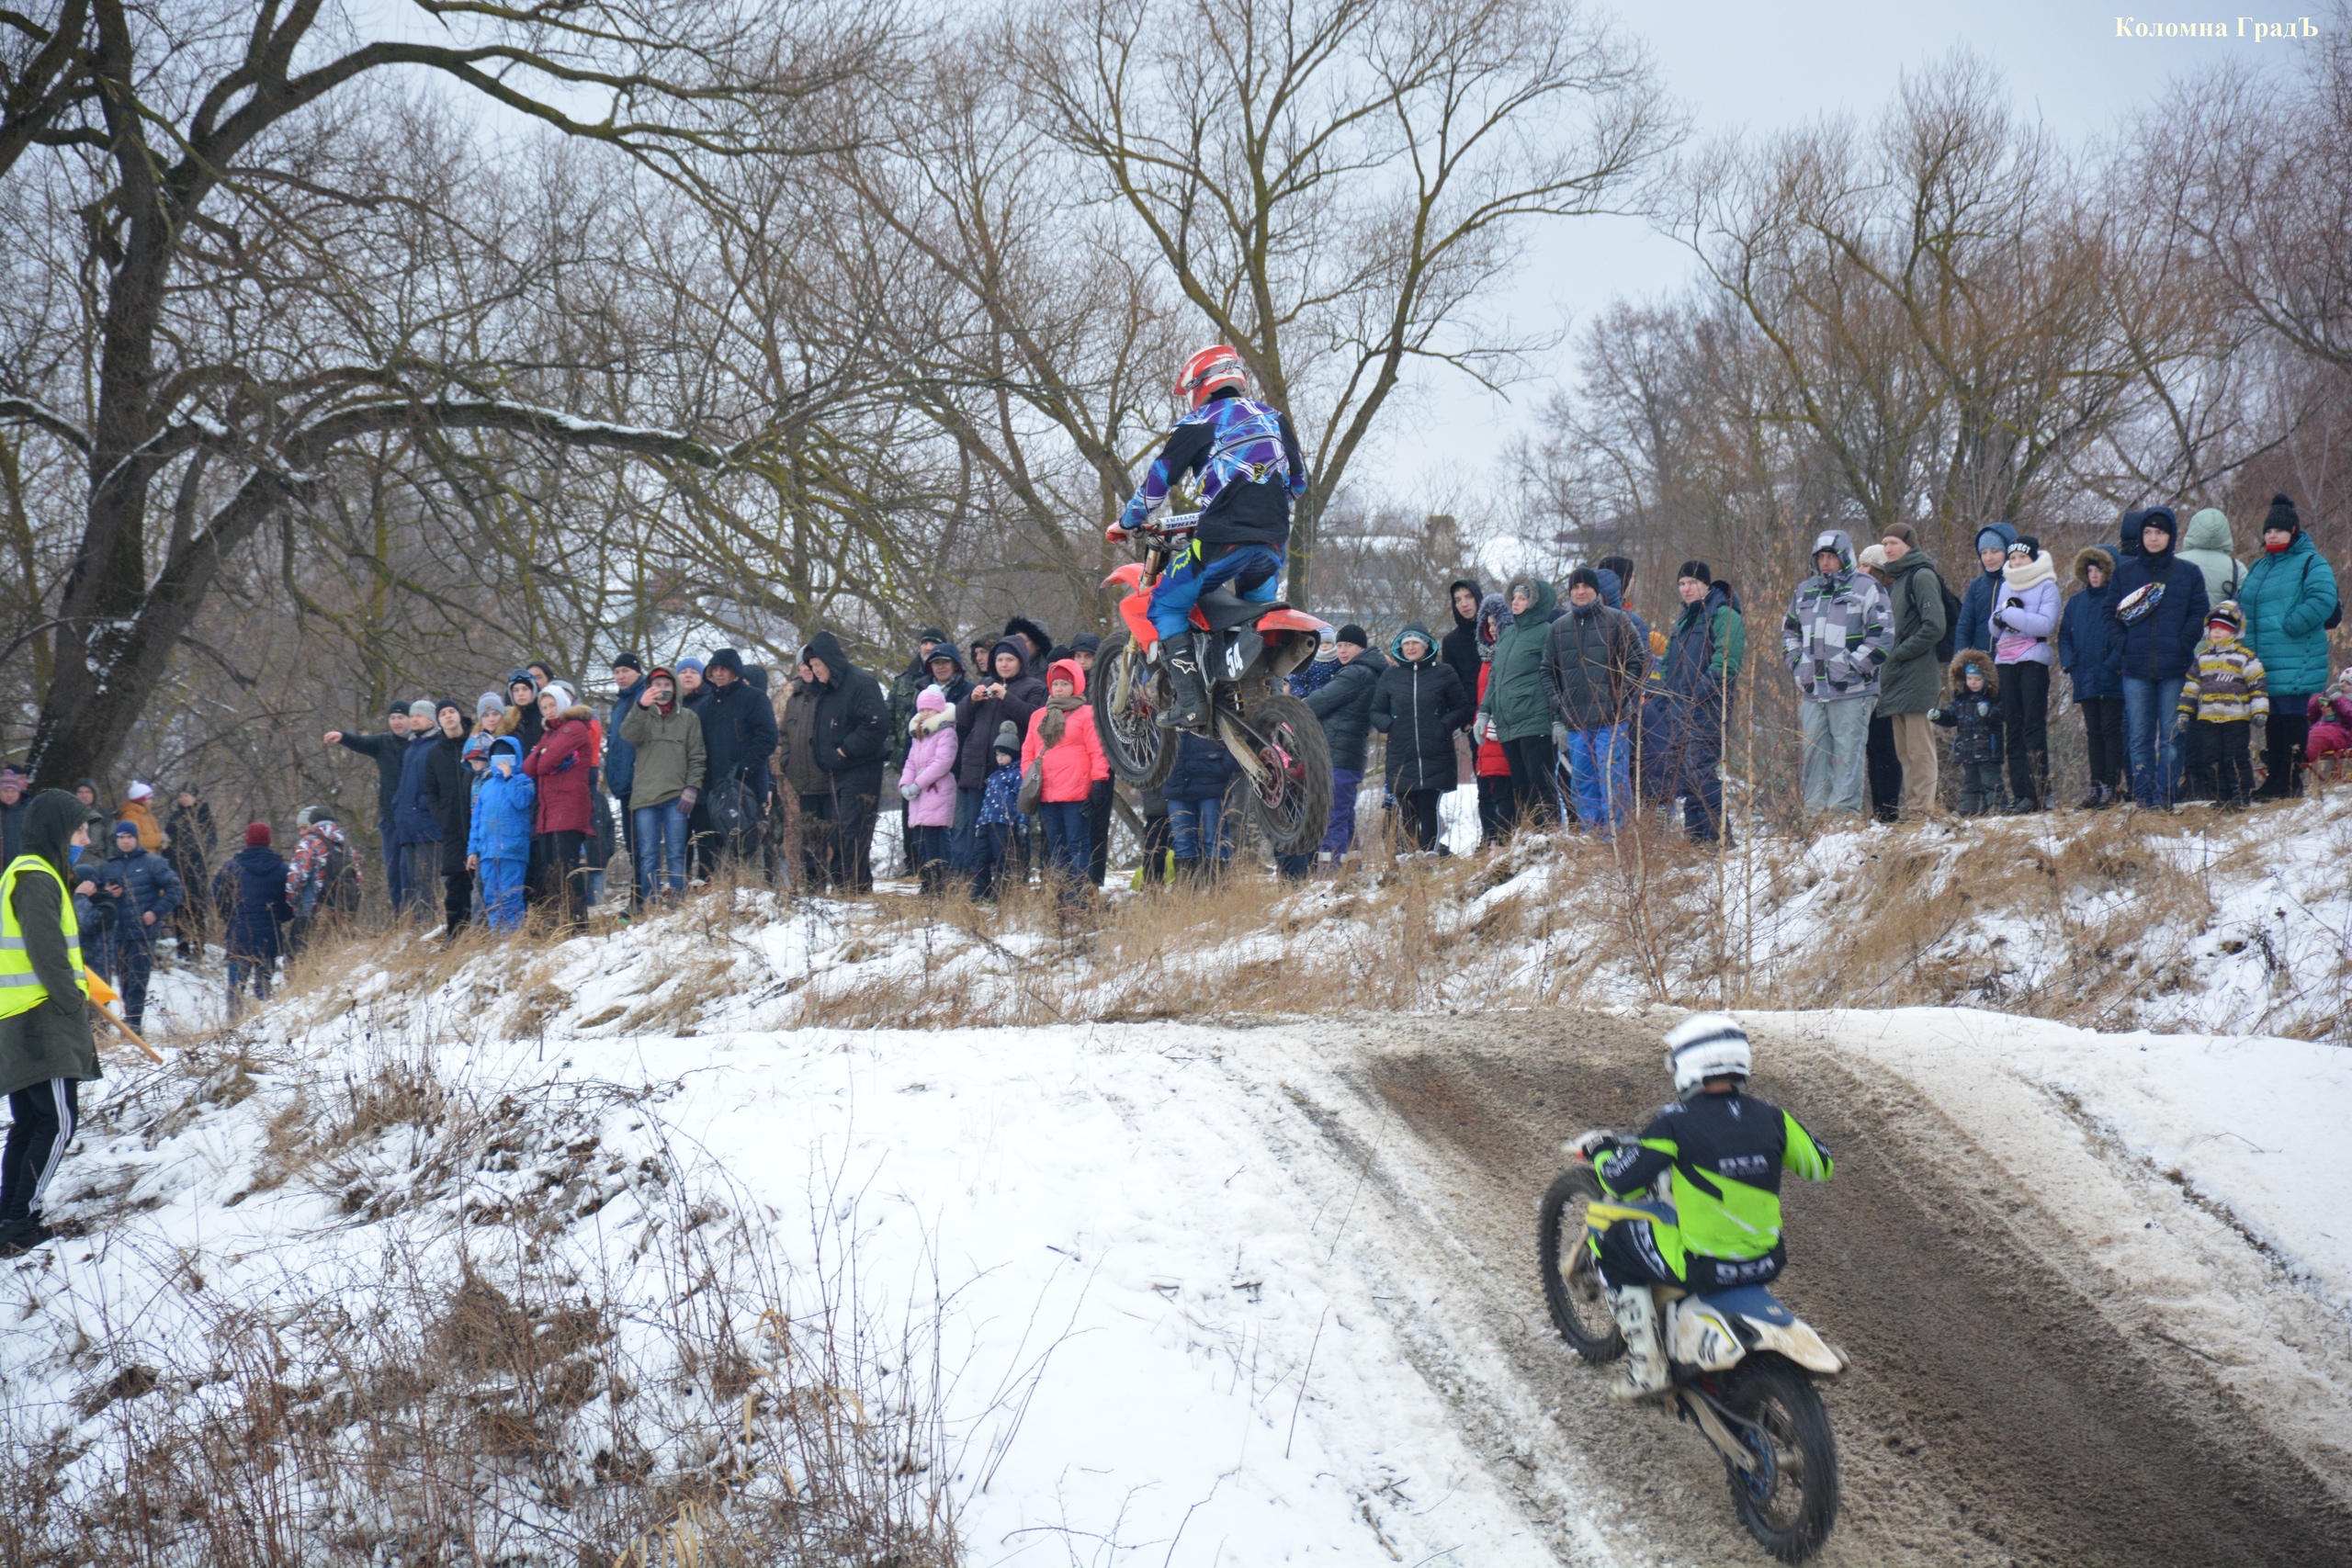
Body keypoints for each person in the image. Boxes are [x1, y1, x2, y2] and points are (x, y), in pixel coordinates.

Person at [1569, 1014, 1833, 1401]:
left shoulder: (1675, 1123)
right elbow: (1820, 1165)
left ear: (1688, 1066)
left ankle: (1647, 1369)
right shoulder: (1774, 1117)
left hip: (1702, 1264)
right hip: (1766, 1260)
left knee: (1610, 1243)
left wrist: (1604, 1151)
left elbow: (1620, 1182)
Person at [1109, 345, 1306, 728]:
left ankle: (1190, 702)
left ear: (1200, 384)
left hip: (1220, 541)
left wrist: (1128, 521)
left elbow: (1157, 485)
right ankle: (1268, 703)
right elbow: (1297, 484)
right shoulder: (1275, 418)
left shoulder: (1198, 423)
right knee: (1255, 618)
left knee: (1165, 603)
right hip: (1271, 544)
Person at [0, 792, 107, 1257]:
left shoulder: (28, 874)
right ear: (59, 831)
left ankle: (10, 1218)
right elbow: (47, 951)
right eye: (79, 831)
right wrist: (71, 1001)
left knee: (30, 1122)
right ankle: (22, 1220)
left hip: (23, 1016)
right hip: (42, 1017)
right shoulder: (36, 877)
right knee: (59, 1122)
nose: (84, 840)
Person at [2235, 493, 2339, 801]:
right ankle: (2276, 780)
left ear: (2293, 531)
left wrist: (2290, 624)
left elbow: (2323, 600)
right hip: (2263, 657)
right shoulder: (2258, 567)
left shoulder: (2311, 562)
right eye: (2268, 531)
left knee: (2291, 717)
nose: (2272, 535)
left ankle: (2291, 780)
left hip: (2296, 654)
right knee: (2274, 720)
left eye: (2278, 530)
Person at [1782, 529, 1891, 818]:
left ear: (1844, 557)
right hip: (1813, 691)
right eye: (1821, 557)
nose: (1826, 563)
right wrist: (1798, 667)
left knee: (1848, 755)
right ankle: (1815, 818)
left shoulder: (1867, 588)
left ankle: (1844, 819)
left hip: (1853, 691)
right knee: (1813, 755)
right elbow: (1789, 633)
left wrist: (1851, 668)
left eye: (1832, 557)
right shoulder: (1804, 590)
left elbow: (1882, 637)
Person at [2110, 507, 2210, 808]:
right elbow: (2109, 614)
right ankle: (2144, 799)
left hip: (2175, 668)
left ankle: (2165, 798)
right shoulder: (2124, 572)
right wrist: (2123, 644)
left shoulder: (2188, 573)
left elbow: (2198, 611)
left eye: (2160, 532)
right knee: (2139, 738)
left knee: (2172, 735)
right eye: (2148, 532)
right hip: (2135, 668)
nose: (2154, 538)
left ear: (2172, 536)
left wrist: (2183, 644)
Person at [1542, 568, 1645, 837]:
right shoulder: (1558, 628)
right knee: (1583, 783)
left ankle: (1619, 839)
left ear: (1596, 590)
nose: (1580, 591)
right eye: (1575, 587)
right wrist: (1559, 703)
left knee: (1613, 780)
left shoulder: (1618, 621)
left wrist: (1621, 696)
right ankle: (1593, 838)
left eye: (1586, 586)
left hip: (1611, 720)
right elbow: (1546, 671)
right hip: (1576, 722)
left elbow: (1638, 661)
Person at [1654, 562, 1745, 843]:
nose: (1686, 589)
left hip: (1708, 709)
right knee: (1688, 781)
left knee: (1702, 773)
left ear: (1706, 584)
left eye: (1692, 582)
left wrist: (1696, 695)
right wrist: (1665, 701)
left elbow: (1726, 663)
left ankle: (1720, 841)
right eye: (1682, 584)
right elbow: (1668, 665)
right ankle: (1696, 844)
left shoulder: (1724, 615)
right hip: (1678, 712)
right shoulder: (1683, 620)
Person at [1373, 625, 1474, 852]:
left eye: (1415, 643)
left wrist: (1443, 725)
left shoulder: (1444, 672)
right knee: (1407, 811)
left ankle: (1429, 855)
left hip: (1435, 753)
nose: (1410, 647)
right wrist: (1390, 725)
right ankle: (1409, 856)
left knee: (1429, 809)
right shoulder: (1391, 676)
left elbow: (1462, 707)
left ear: (1426, 645)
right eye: (1406, 643)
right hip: (1402, 755)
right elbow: (1376, 711)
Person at [803, 631, 888, 894]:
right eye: (811, 666)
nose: (815, 671)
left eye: (817, 665)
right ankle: (851, 887)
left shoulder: (861, 683)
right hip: (836, 773)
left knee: (852, 832)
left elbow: (877, 724)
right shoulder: (828, 690)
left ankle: (851, 889)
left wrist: (844, 750)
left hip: (860, 769)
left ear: (829, 661)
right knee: (839, 833)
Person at [1873, 525, 1949, 819]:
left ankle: (1923, 810)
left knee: (1920, 748)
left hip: (1917, 674)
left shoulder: (1921, 575)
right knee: (1904, 750)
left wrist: (1900, 653)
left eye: (1893, 543)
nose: (1888, 549)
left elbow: (1935, 626)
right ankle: (1914, 807)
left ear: (1908, 544)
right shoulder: (1900, 578)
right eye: (1884, 544)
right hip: (1897, 676)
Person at [954, 639, 1046, 877]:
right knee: (979, 830)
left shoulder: (1033, 687)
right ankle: (979, 885)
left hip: (1010, 775)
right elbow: (961, 719)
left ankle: (1013, 883)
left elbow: (1033, 718)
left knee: (1010, 832)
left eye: (1010, 660)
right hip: (977, 770)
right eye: (1000, 660)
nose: (1004, 665)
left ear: (1021, 662)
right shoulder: (984, 683)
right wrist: (971, 700)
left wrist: (1006, 696)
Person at [1022, 658, 1110, 902]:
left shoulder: (1087, 714)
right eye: (1055, 684)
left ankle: (1078, 896)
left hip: (1076, 791)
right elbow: (1028, 751)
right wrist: (1029, 782)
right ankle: (1060, 897)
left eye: (1064, 684)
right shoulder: (1038, 715)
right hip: (1047, 792)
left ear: (1076, 685)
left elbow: (1097, 750)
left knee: (1078, 845)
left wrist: (1099, 781)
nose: (1059, 689)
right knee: (1056, 847)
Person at [616, 668, 703, 905]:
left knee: (676, 854)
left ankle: (678, 903)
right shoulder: (642, 716)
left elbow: (697, 758)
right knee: (648, 856)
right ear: (648, 689)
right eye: (657, 685)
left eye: (667, 684)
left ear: (675, 688)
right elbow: (628, 734)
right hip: (645, 799)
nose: (663, 689)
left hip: (677, 797)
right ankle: (649, 905)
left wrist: (692, 788)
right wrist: (642, 707)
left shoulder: (688, 718)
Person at [1481, 576, 1562, 829]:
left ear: (1535, 602)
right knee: (1521, 788)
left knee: (1542, 786)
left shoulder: (1546, 632)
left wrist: (1558, 719)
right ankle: (1530, 841)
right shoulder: (1507, 635)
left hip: (1536, 720)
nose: (1515, 602)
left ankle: (1549, 838)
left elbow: (1556, 677)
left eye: (1522, 598)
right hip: (1508, 724)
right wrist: (1484, 712)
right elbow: (1495, 677)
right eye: (1514, 597)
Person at [1304, 625, 1386, 863]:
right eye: (1339, 645)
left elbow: (1322, 700)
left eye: (1348, 645)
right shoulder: (1369, 671)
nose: (1342, 650)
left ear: (1361, 647)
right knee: (1345, 814)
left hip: (1339, 754)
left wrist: (1293, 708)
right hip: (1351, 755)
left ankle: (1330, 874)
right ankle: (1351, 869)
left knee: (1332, 816)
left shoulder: (1355, 674)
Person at [1988, 536, 2060, 812]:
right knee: (2013, 728)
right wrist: (2000, 619)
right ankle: (2021, 795)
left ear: (2033, 559)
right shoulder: (2006, 585)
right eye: (2013, 558)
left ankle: (2040, 791)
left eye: (2022, 558)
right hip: (2005, 661)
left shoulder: (2047, 586)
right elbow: (1994, 627)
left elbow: (2045, 625)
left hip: (2032, 661)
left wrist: (2008, 616)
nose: (2016, 562)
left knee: (2032, 726)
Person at [695, 649, 780, 872]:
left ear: (735, 672)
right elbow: (700, 748)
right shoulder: (706, 706)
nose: (719, 674)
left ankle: (756, 897)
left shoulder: (754, 698)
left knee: (751, 844)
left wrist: (745, 768)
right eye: (715, 669)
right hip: (717, 790)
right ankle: (728, 900)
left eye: (724, 669)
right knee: (722, 849)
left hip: (749, 786)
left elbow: (768, 737)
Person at [522, 683, 598, 931]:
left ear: (563, 703)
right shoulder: (550, 733)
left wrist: (542, 753)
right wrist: (543, 752)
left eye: (552, 705)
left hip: (568, 807)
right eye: (544, 707)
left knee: (567, 866)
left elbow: (544, 765)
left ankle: (578, 922)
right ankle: (561, 920)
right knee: (552, 868)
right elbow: (529, 768)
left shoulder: (572, 728)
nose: (549, 710)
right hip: (550, 810)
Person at [2177, 601, 2267, 809]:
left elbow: (2257, 685)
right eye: (2214, 628)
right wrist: (2184, 711)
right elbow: (2191, 687)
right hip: (2208, 717)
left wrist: (2260, 710)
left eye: (2224, 629)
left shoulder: (2245, 657)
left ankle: (2241, 795)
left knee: (2235, 756)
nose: (2217, 632)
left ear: (2235, 631)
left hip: (2236, 716)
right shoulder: (2202, 659)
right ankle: (2222, 796)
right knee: (2211, 756)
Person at [94, 819, 182, 1032]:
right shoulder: (107, 866)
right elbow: (94, 897)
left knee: (138, 978)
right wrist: (107, 894)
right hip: (117, 932)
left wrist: (155, 912)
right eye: (121, 837)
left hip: (143, 931)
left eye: (129, 837)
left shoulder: (153, 862)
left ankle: (133, 1023)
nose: (125, 842)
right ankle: (130, 1020)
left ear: (136, 839)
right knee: (124, 980)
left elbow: (175, 890)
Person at [2058, 547, 2126, 807]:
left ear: (2107, 571)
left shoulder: (2117, 599)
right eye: (2090, 571)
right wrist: (2070, 665)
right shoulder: (2076, 602)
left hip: (2110, 675)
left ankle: (2112, 785)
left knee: (2110, 731)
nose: (2094, 575)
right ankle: (2095, 785)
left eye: (2098, 570)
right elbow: (2064, 634)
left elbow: (2125, 633)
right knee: (2093, 732)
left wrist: (2112, 664)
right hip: (2085, 675)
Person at [326, 705, 413, 908]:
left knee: (411, 871)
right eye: (393, 718)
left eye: (401, 717)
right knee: (393, 872)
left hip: (414, 819)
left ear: (411, 719)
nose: (397, 722)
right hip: (390, 818)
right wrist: (343, 736)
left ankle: (418, 918)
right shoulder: (382, 742)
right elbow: (361, 742)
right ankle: (401, 918)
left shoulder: (418, 744)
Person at [887, 630, 949, 874]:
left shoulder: (947, 680)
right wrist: (894, 755)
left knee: (937, 817)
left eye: (934, 644)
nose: (929, 647)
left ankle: (936, 867)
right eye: (925, 643)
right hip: (909, 760)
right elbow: (887, 720)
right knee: (910, 816)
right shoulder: (903, 681)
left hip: (939, 761)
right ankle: (912, 865)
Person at [215, 823, 291, 1012]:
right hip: (269, 936)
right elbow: (291, 902)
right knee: (264, 990)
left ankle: (233, 1030)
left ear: (247, 840)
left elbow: (217, 897)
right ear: (269, 841)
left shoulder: (231, 867)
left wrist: (230, 917)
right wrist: (278, 917)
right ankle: (262, 1029)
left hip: (239, 936)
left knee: (235, 990)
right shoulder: (282, 869)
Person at [775, 660, 833, 890]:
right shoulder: (794, 698)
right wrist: (787, 762)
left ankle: (837, 886)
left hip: (828, 779)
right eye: (802, 664)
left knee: (831, 836)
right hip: (802, 781)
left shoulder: (830, 695)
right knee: (807, 838)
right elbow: (783, 735)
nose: (808, 669)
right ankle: (811, 887)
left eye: (812, 664)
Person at [899, 687, 960, 894]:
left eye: (930, 709)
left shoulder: (947, 732)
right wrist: (906, 784)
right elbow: (910, 762)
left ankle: (943, 883)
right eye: (922, 709)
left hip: (937, 792)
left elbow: (942, 763)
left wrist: (918, 783)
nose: (925, 713)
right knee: (920, 841)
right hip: (919, 796)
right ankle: (928, 883)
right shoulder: (918, 735)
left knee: (937, 841)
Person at [1929, 652, 2006, 815]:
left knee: (1991, 780)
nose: (1973, 683)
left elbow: (2002, 714)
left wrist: (1989, 712)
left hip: (1988, 749)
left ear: (1986, 679)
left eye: (1978, 679)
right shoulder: (1960, 699)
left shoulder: (1993, 698)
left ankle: (1997, 808)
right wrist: (1938, 716)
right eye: (1970, 679)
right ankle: (1966, 810)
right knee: (1970, 783)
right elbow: (1951, 717)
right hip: (1967, 750)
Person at [388, 699, 443, 917]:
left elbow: (435, 786)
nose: (414, 719)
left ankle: (429, 926)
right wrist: (398, 806)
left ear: (431, 719)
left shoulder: (435, 747)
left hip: (427, 826)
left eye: (419, 715)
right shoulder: (412, 749)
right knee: (409, 880)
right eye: (412, 715)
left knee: (425, 879)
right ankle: (417, 926)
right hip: (407, 826)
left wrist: (422, 806)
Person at [1471, 593, 1516, 846]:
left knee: (1510, 792)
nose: (1492, 629)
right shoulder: (1486, 659)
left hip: (1506, 732)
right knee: (1496, 791)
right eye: (1487, 625)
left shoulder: (1509, 655)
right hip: (1487, 735)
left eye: (1495, 623)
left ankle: (1506, 842)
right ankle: (1498, 842)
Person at [1162, 730, 1237, 880]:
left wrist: (1223, 768)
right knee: (1182, 843)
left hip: (1212, 783)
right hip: (1177, 783)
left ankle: (1219, 892)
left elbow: (1236, 736)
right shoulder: (1162, 711)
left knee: (1215, 840)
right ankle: (1188, 894)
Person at [285, 810, 360, 953]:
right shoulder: (348, 847)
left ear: (313, 824)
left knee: (298, 961)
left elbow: (295, 879)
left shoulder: (310, 842)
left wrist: (292, 903)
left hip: (311, 912)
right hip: (342, 914)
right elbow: (357, 880)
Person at [970, 723, 1027, 902]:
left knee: (1003, 860)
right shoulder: (994, 776)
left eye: (1004, 755)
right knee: (979, 859)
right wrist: (979, 823)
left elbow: (1023, 799)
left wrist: (1023, 821)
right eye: (997, 755)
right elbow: (986, 802)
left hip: (1005, 823)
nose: (1000, 759)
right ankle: (980, 893)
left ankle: (1002, 895)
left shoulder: (1017, 775)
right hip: (987, 822)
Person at [160, 785, 215, 958]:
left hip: (197, 870)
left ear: (195, 797)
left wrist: (200, 854)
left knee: (198, 909)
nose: (183, 799)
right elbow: (168, 842)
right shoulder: (176, 817)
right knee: (180, 907)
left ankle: (199, 946)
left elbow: (212, 841)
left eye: (187, 795)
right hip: (178, 869)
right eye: (181, 795)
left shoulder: (204, 816)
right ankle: (182, 945)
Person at [605, 653, 649, 872]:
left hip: (641, 781)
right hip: (623, 783)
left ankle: (647, 895)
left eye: (625, 671)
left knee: (645, 843)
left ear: (638, 672)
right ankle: (637, 894)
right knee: (633, 843)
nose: (620, 676)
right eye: (616, 672)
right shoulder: (619, 704)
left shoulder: (645, 698)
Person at [1957, 522, 2019, 652]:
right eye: (1983, 553)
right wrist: (1963, 662)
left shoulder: (2020, 582)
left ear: (2008, 552)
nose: (1988, 558)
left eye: (1994, 551)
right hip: (1980, 662)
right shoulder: (1977, 586)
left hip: (2012, 661)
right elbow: (1964, 628)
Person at [2177, 507, 2245, 608]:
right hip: (2221, 622)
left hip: (2182, 623)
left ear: (2193, 528)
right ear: (2225, 532)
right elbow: (2247, 603)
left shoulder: (2175, 562)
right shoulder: (2236, 567)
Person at [1440, 579, 1485, 705]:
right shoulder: (1451, 642)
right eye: (1458, 600)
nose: (1464, 604)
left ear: (1477, 597)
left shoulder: (1495, 632)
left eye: (1469, 597)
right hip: (1471, 714)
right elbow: (1452, 686)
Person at [113, 781, 163, 851]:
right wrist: (160, 839)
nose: (152, 802)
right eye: (149, 799)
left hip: (151, 859)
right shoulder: (130, 816)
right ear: (141, 801)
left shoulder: (149, 815)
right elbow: (133, 840)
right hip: (140, 860)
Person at [0, 767, 28, 863]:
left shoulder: (27, 813)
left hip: (19, 863)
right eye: (5, 791)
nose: (10, 795)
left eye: (13, 791)